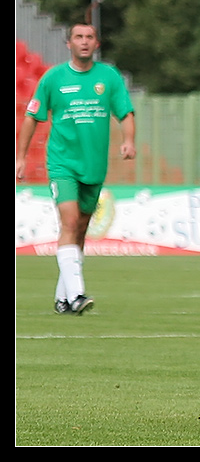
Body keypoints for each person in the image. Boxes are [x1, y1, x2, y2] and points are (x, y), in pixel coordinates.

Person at [15, 23, 136, 315]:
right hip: (62, 164)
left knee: (80, 229)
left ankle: (63, 298)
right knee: (69, 223)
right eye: (78, 37)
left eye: (89, 37)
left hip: (94, 166)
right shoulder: (53, 78)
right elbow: (33, 116)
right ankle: (78, 294)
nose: (84, 42)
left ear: (97, 43)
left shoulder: (108, 77)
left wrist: (129, 140)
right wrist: (20, 157)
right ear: (68, 43)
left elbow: (125, 112)